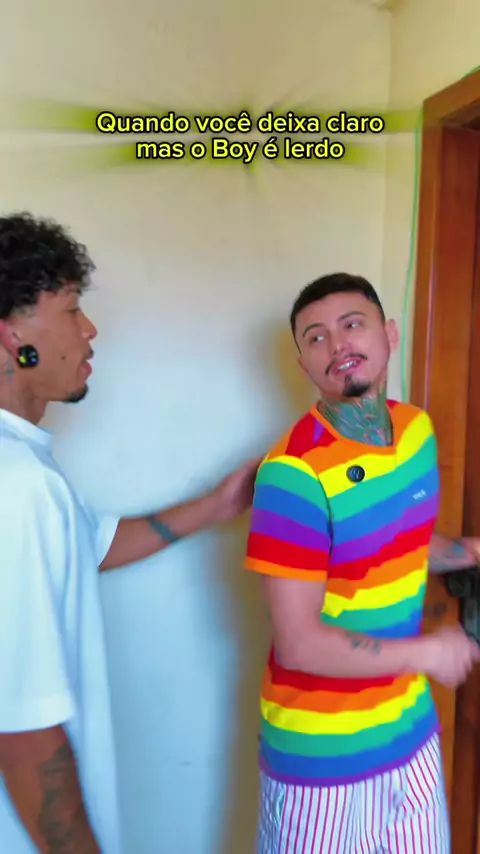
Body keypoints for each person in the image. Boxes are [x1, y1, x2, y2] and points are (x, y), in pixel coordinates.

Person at [0, 212, 259, 854]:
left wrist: (216, 505)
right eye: (70, 309)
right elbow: (24, 732)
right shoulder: (17, 486)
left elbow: (90, 545)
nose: (90, 329)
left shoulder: (24, 469)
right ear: (12, 335)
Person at [244, 272, 480, 854]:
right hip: (322, 761)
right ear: (303, 363)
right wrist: (428, 654)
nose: (337, 344)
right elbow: (299, 643)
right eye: (316, 337)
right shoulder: (292, 474)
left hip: (411, 736)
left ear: (389, 334)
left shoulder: (417, 431)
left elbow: (399, 544)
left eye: (352, 324)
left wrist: (470, 552)